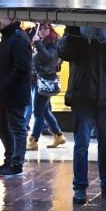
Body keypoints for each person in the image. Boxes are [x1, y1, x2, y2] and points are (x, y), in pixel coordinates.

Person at [58, 26, 106, 204]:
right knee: (81, 143)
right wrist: (73, 31)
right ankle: (80, 187)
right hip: (83, 95)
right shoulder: (76, 31)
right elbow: (64, 52)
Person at [0, 16, 33, 178]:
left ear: (12, 17)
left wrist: (6, 84)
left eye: (2, 17)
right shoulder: (9, 36)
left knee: (17, 127)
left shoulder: (18, 37)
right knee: (1, 124)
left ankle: (16, 163)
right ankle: (10, 158)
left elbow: (22, 67)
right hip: (5, 92)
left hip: (13, 93)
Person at [29, 23, 67, 151]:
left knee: (38, 112)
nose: (43, 31)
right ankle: (58, 135)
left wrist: (38, 44)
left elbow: (48, 58)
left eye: (46, 28)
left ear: (51, 30)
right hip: (36, 80)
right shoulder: (40, 41)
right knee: (44, 111)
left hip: (45, 81)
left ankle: (33, 140)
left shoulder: (53, 42)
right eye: (41, 28)